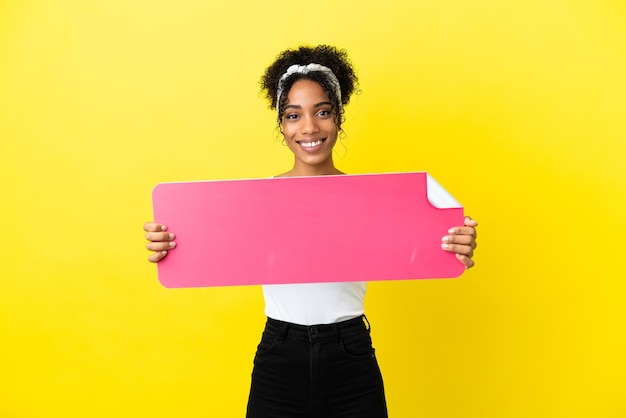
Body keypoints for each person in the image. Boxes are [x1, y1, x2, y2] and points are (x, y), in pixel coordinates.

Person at [144, 45, 478, 418]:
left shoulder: (373, 198)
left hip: (350, 354)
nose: (308, 128)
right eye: (293, 115)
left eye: (322, 112)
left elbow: (432, 236)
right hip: (279, 354)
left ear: (338, 118)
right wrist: (169, 245)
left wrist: (457, 244)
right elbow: (208, 242)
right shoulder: (257, 199)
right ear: (281, 126)